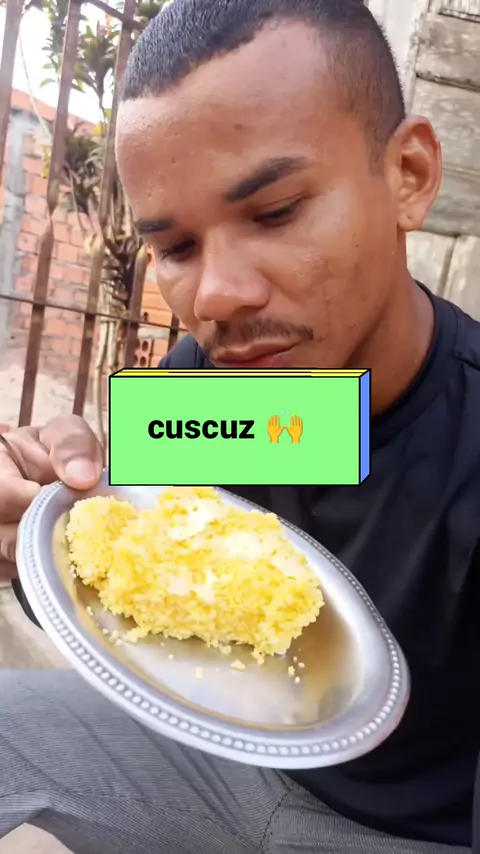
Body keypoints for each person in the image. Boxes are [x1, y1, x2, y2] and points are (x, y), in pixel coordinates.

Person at [0, 0, 479, 851]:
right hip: (217, 769)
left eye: (276, 211)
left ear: (408, 174)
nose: (217, 296)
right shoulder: (215, 384)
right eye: (178, 248)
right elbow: (135, 600)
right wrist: (49, 535)